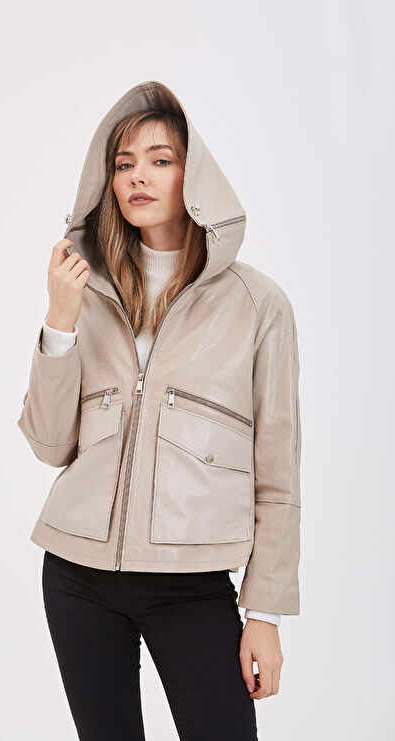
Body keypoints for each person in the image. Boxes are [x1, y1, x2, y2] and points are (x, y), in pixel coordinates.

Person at [17, 79, 302, 741]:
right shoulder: (85, 291)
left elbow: (278, 474)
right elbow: (49, 444)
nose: (137, 176)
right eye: (123, 163)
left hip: (191, 582)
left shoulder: (257, 305)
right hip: (77, 575)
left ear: (193, 177)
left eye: (160, 159)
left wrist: (263, 612)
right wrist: (59, 321)